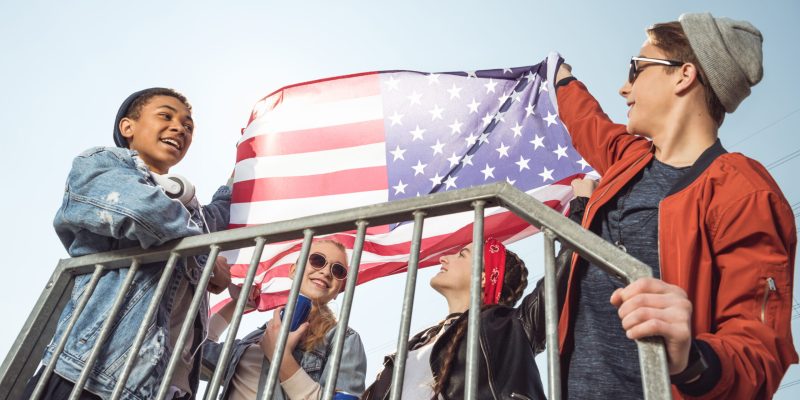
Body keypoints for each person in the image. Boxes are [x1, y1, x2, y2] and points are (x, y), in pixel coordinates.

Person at [554, 13, 797, 399]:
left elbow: (759, 347)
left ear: (684, 75)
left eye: (636, 69)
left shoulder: (742, 190)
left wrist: (692, 360)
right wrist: (561, 78)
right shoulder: (629, 160)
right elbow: (589, 123)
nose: (623, 87)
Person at [23, 88, 233, 400]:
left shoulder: (193, 215)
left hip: (163, 389)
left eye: (188, 126)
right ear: (128, 127)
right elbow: (145, 212)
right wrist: (207, 253)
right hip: (92, 377)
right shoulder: (100, 163)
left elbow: (225, 210)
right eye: (166, 116)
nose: (180, 128)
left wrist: (248, 161)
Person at [363, 238, 547, 400]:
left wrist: (576, 210)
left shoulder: (508, 329)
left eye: (461, 255)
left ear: (482, 278)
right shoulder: (419, 341)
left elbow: (561, 279)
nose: (444, 258)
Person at [202, 239, 367, 400]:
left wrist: (280, 358)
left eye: (338, 271)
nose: (325, 272)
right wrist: (237, 304)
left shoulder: (343, 339)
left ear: (339, 289)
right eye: (317, 260)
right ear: (293, 271)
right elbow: (194, 350)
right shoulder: (255, 339)